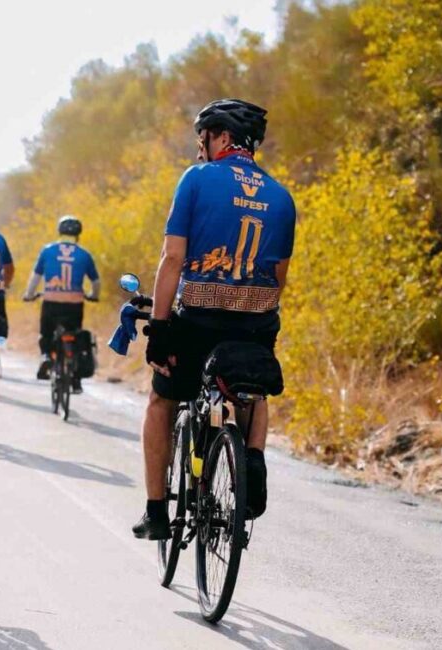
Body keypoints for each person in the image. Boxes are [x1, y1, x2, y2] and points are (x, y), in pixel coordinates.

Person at [132, 99, 296, 540]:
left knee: (162, 400)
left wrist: (160, 329)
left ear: (221, 137)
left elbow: (173, 259)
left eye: (202, 139)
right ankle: (253, 458)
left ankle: (155, 512)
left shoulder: (198, 179)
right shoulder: (282, 196)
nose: (199, 148)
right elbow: (279, 277)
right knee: (254, 387)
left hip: (198, 321)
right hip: (255, 322)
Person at [22, 215, 100, 390]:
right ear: (78, 234)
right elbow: (96, 282)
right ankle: (76, 379)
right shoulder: (85, 254)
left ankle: (46, 357)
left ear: (59, 231)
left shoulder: (47, 250)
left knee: (46, 334)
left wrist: (29, 294)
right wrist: (93, 295)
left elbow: (35, 278)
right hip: (74, 304)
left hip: (51, 302)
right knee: (76, 335)